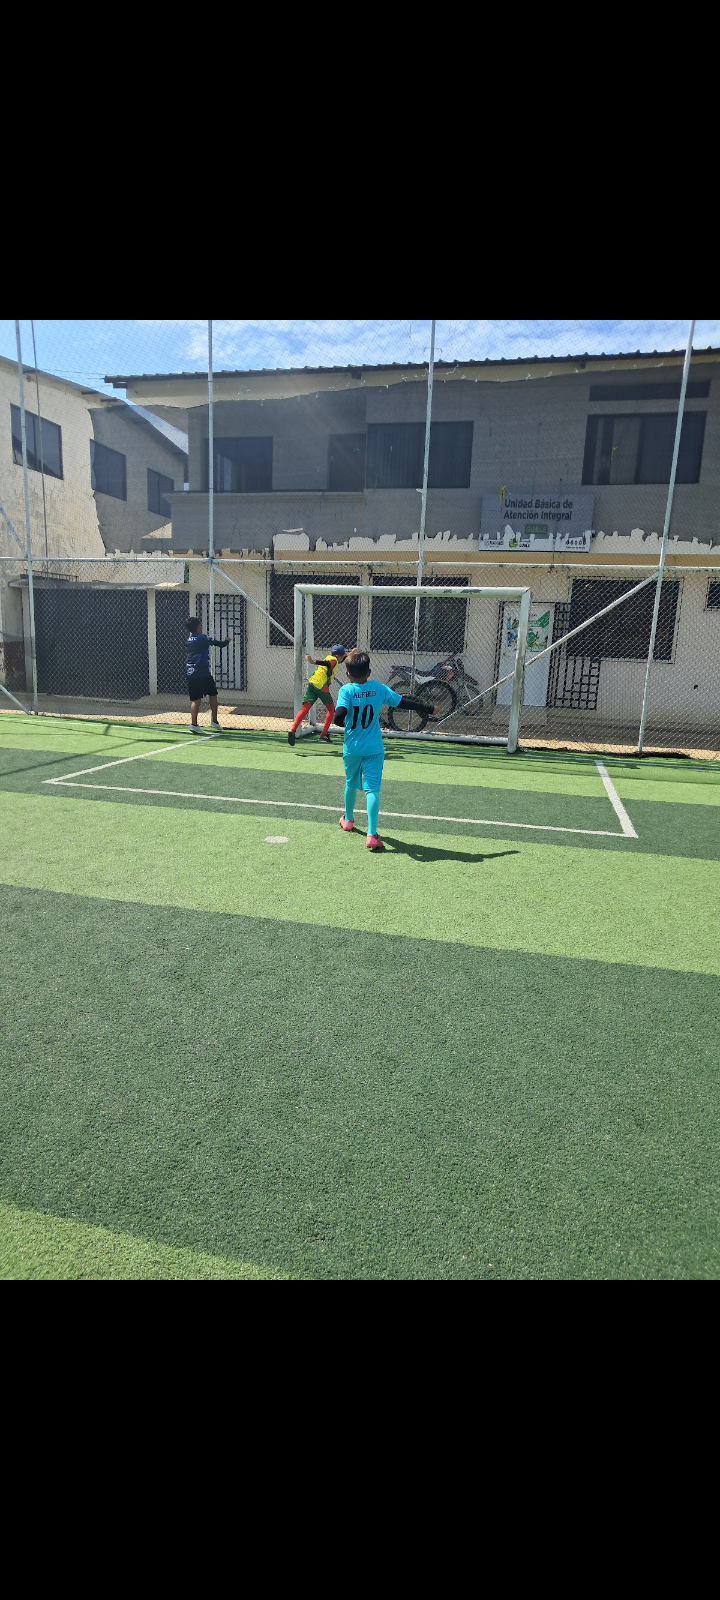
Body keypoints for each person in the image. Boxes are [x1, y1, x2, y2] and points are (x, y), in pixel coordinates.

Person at [332, 649, 435, 851]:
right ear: (369, 672)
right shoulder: (379, 689)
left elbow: (338, 717)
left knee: (351, 783)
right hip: (374, 749)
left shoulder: (346, 691)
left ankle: (348, 820)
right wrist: (427, 708)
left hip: (352, 748)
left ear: (347, 674)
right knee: (372, 790)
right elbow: (402, 701)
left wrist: (346, 723)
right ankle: (372, 835)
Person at [287, 645, 348, 747]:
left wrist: (350, 653)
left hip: (312, 684)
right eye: (343, 656)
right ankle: (323, 734)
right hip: (321, 686)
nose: (343, 658)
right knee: (331, 710)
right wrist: (313, 662)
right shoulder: (333, 661)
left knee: (304, 709)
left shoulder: (329, 657)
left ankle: (292, 730)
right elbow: (328, 664)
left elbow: (336, 660)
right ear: (338, 656)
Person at [185, 616, 230, 732]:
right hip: (202, 672)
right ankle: (214, 721)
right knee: (213, 694)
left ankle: (194, 724)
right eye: (200, 625)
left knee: (196, 699)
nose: (201, 627)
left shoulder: (189, 639)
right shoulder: (202, 638)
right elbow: (219, 644)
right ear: (197, 627)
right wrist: (227, 641)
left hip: (190, 672)